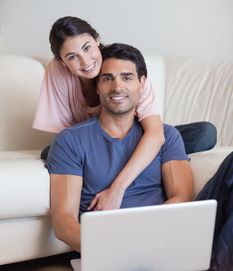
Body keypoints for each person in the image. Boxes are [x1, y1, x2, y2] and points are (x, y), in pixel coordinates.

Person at [46, 42, 233, 271]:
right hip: (125, 256)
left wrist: (156, 235)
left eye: (127, 77)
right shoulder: (72, 141)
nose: (117, 86)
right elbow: (64, 222)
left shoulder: (166, 136)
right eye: (107, 78)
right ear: (97, 87)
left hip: (175, 234)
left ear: (142, 84)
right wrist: (116, 248)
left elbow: (182, 197)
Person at [33, 16, 217, 211]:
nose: (85, 61)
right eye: (72, 57)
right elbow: (66, 135)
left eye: (87, 48)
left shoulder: (121, 64)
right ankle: (140, 156)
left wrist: (117, 188)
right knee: (52, 151)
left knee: (201, 133)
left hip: (131, 136)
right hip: (88, 143)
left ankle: (147, 154)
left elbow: (154, 133)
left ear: (97, 40)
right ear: (62, 62)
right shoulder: (57, 72)